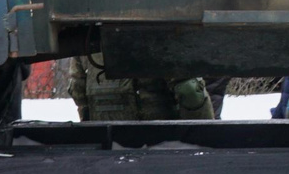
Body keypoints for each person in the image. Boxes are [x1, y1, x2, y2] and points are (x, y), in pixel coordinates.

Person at [71, 53, 214, 124]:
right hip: (160, 142)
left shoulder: (87, 36)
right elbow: (190, 92)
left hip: (106, 143)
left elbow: (79, 93)